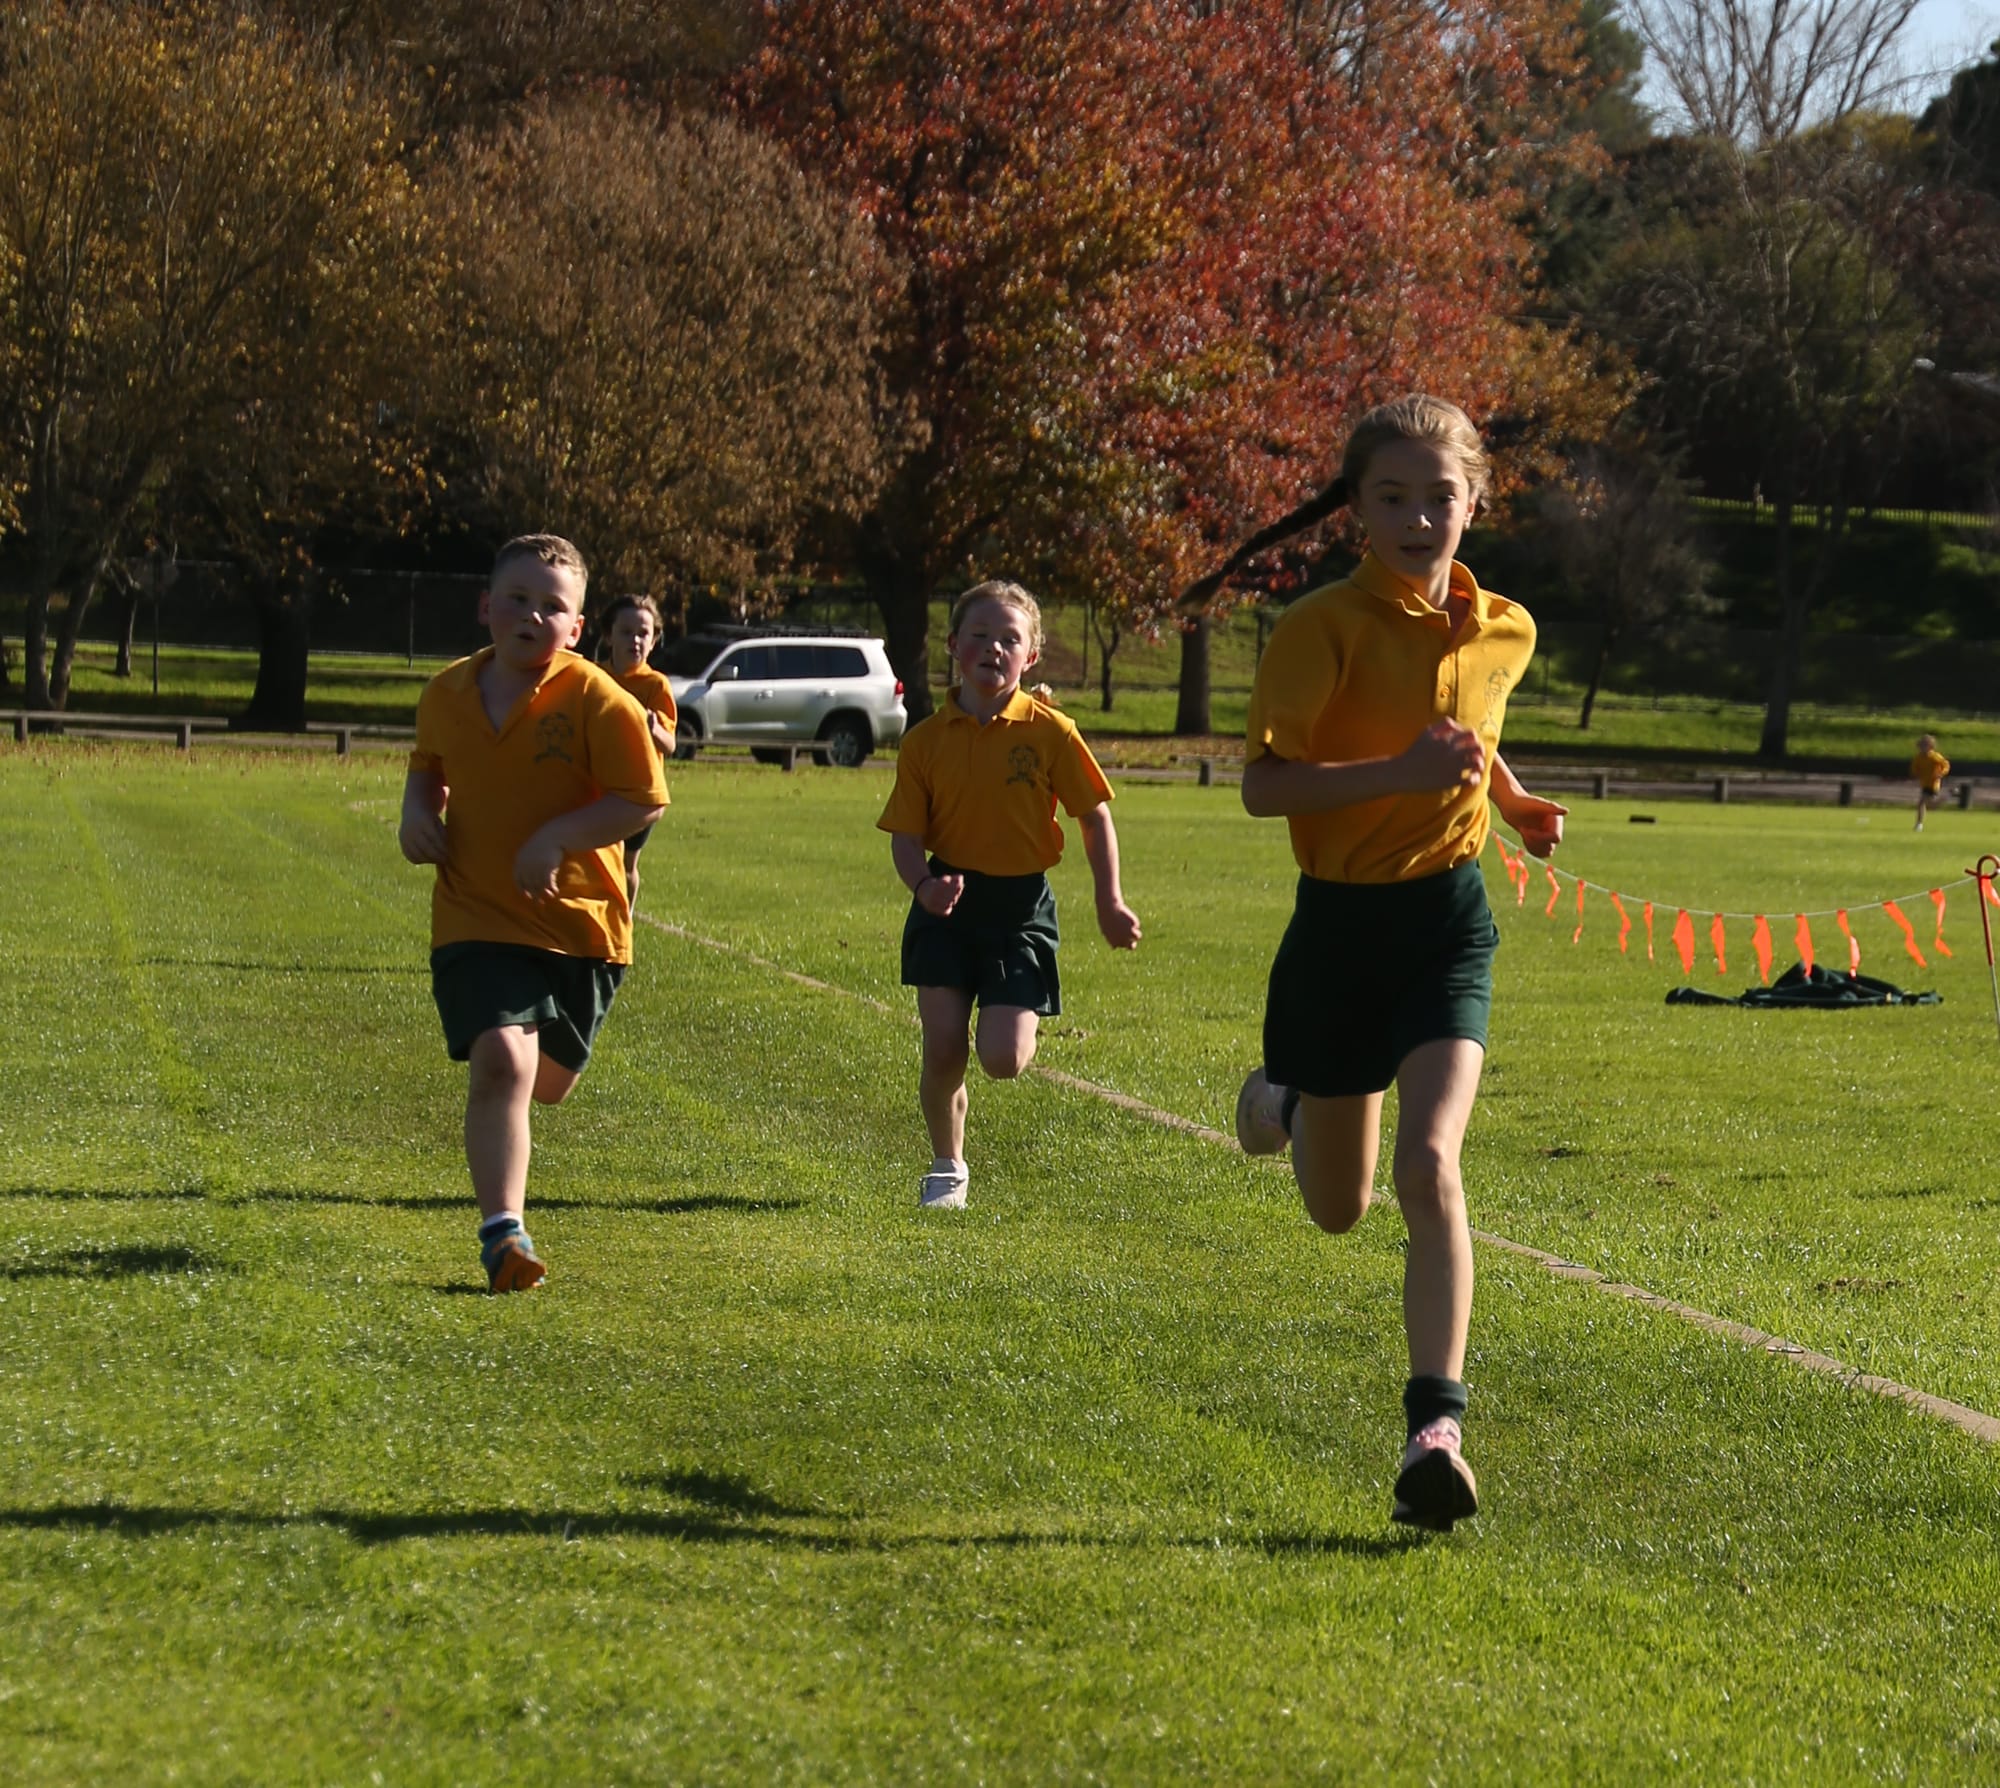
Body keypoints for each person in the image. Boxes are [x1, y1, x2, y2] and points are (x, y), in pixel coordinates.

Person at [1221, 395, 1566, 1532]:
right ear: (1353, 507)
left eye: (1439, 496)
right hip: (1335, 934)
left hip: (1444, 926)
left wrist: (1509, 805)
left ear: (1474, 501)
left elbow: (1471, 730)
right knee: (1336, 1206)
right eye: (1391, 497)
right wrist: (1396, 778)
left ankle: (1434, 1432)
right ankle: (1276, 1098)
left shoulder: (1503, 627)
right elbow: (1263, 787)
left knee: (1429, 1165)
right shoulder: (1319, 628)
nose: (1419, 518)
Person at [400, 535, 668, 1293]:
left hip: (583, 926)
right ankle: (503, 1235)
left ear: (578, 629)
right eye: (517, 599)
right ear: (486, 606)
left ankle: (505, 1213)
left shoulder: (598, 699)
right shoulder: (446, 694)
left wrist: (556, 837)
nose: (532, 615)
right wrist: (415, 815)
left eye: (554, 606)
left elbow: (642, 799)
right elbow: (428, 771)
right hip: (475, 913)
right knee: (503, 1061)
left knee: (547, 1083)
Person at [878, 580, 1142, 1210]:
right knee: (943, 1047)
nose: (993, 648)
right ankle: (947, 1169)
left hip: (1020, 911)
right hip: (947, 901)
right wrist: (923, 886)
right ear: (953, 647)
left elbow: (1094, 816)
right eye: (980, 635)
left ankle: (1002, 1022)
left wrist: (1110, 901)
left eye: (1009, 638)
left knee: (1002, 1058)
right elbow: (905, 838)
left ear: (1031, 658)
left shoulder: (1052, 732)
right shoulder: (924, 742)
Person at [600, 593, 679, 906]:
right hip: (597, 785)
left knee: (626, 863)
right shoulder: (596, 677)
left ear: (654, 639)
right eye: (626, 631)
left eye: (643, 633)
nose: (635, 640)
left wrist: (652, 727)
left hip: (639, 793)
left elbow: (670, 745)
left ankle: (625, 919)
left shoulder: (656, 685)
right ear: (609, 635)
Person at [1910, 733, 1949, 832]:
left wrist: (1941, 773)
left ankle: (1919, 824)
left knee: (1923, 803)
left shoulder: (1934, 757)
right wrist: (1916, 773)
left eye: (1924, 745)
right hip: (1924, 783)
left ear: (1931, 746)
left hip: (1933, 784)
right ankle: (1949, 796)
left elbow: (1945, 765)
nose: (1922, 747)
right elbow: (1915, 768)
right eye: (1921, 745)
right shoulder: (1918, 757)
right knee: (1928, 805)